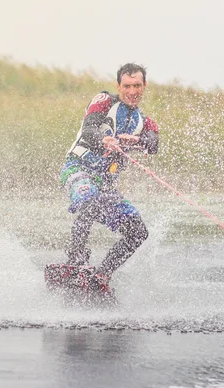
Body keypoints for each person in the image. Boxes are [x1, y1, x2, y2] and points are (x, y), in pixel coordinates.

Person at [60, 63, 159, 282]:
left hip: (105, 185)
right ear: (118, 85)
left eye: (137, 86)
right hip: (78, 169)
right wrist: (103, 139)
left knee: (138, 231)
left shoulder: (144, 122)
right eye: (127, 86)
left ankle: (102, 275)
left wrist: (139, 140)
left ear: (144, 86)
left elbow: (153, 144)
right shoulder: (104, 101)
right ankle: (75, 260)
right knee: (89, 200)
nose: (132, 92)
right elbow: (89, 129)